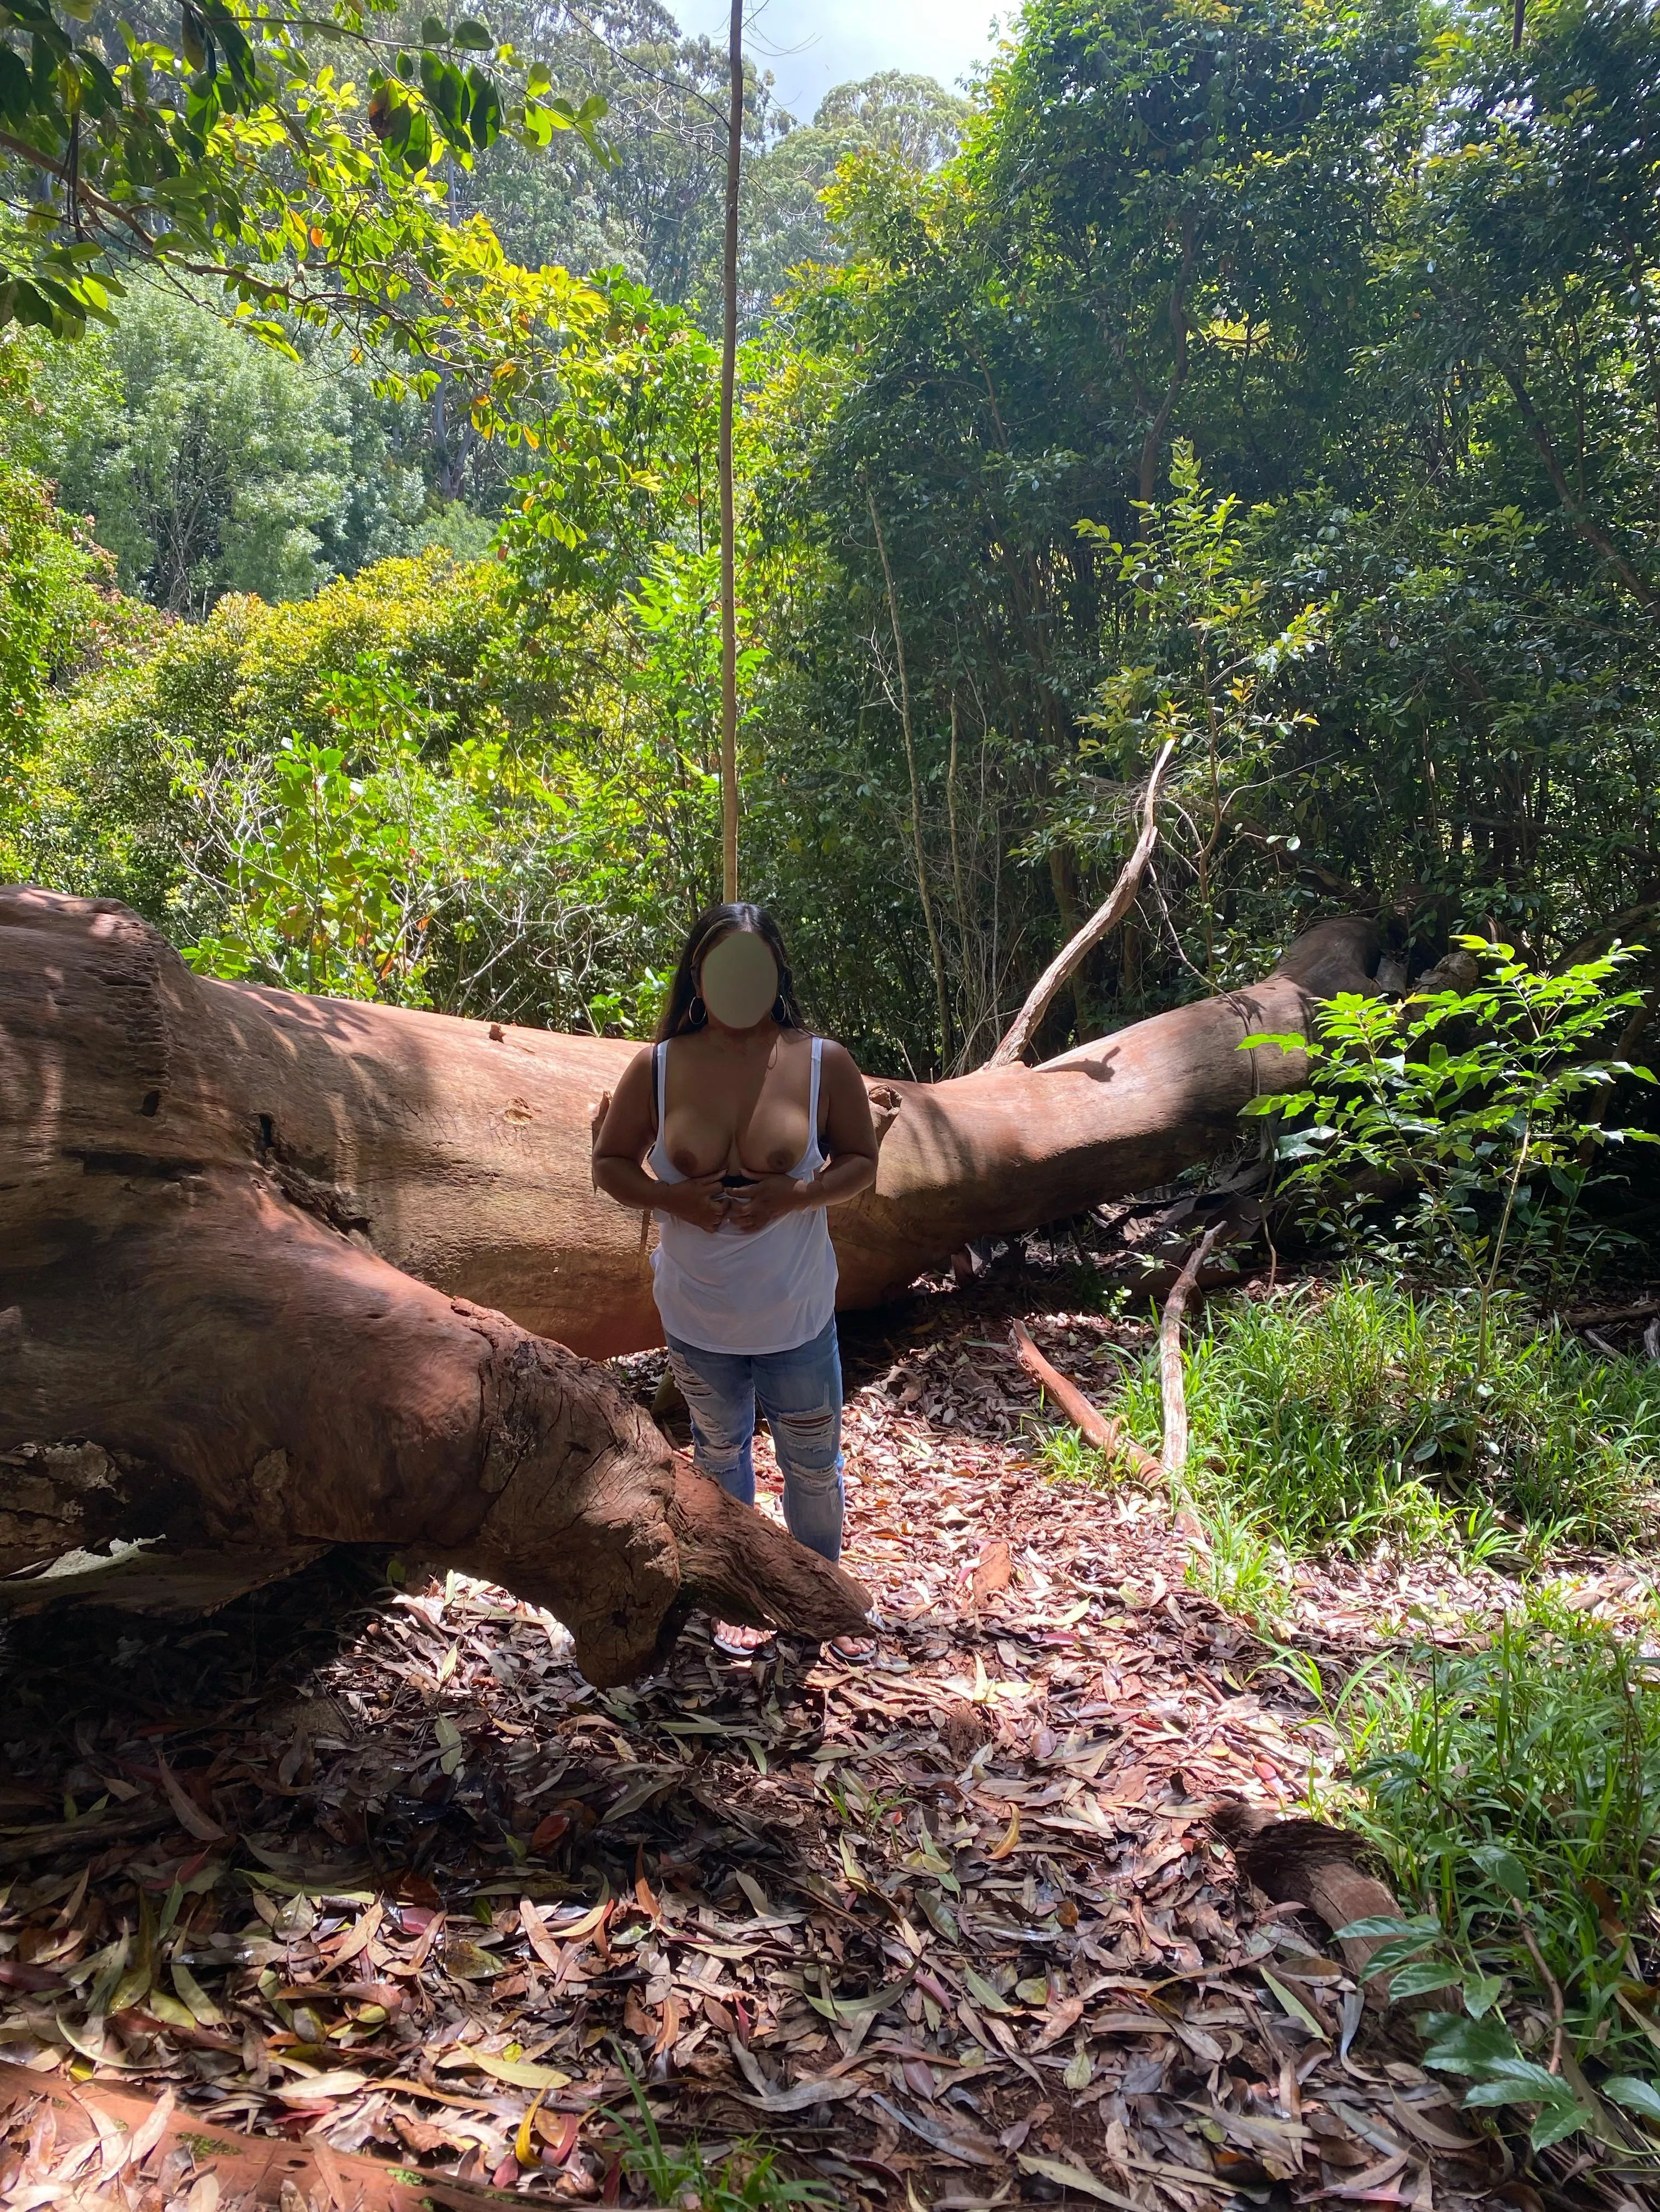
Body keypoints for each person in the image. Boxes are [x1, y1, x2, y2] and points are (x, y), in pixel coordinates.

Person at [592, 903, 879, 1657]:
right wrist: (669, 1196)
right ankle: (742, 1595)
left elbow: (861, 1162)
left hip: (797, 1316)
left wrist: (797, 1193)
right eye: (724, 966)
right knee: (721, 1458)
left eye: (756, 965)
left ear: (777, 971)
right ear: (698, 974)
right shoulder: (658, 1066)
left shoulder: (822, 1062)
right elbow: (610, 1164)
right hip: (698, 1315)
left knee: (812, 1466)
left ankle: (820, 1594)